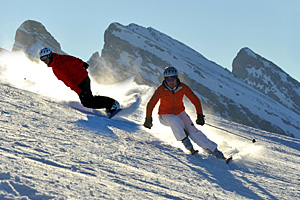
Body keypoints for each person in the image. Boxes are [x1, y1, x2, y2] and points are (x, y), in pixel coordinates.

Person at [143, 66, 225, 158]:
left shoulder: (183, 87)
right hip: (165, 116)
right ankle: (186, 142)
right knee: (174, 119)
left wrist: (200, 115)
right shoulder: (161, 89)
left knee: (194, 132)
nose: (171, 81)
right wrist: (148, 118)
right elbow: (151, 103)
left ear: (177, 78)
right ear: (165, 79)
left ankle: (214, 150)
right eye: (168, 79)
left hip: (180, 113)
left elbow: (195, 100)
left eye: (173, 78)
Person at [39, 47, 120, 116]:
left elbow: (69, 81)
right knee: (88, 99)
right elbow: (71, 58)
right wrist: (82, 63)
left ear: (49, 55)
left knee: (87, 102)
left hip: (80, 80)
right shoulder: (59, 57)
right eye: (42, 59)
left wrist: (79, 92)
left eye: (45, 58)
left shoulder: (57, 66)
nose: (44, 61)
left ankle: (112, 104)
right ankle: (109, 105)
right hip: (83, 77)